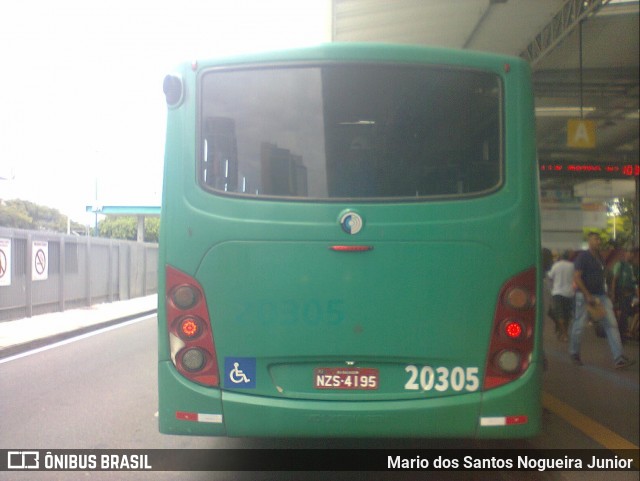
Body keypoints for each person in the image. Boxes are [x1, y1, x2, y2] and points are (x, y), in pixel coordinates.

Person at [569, 232, 634, 369]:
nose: (598, 241)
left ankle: (619, 358)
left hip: (601, 296)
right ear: (589, 241)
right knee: (579, 325)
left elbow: (603, 276)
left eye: (599, 239)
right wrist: (587, 295)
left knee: (612, 325)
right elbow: (577, 277)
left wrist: (609, 291)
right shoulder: (583, 257)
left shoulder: (599, 258)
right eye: (595, 239)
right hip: (585, 296)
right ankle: (574, 353)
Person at [611, 248, 638, 340]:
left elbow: (635, 283)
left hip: (631, 294)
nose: (631, 255)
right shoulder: (621, 265)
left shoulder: (634, 267)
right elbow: (615, 279)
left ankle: (627, 332)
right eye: (629, 252)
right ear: (625, 253)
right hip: (622, 293)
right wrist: (613, 294)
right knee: (623, 314)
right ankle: (620, 335)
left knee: (630, 313)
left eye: (632, 253)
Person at [547, 251, 575, 341]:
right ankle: (564, 332)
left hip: (557, 293)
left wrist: (550, 288)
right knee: (567, 315)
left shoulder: (556, 265)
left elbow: (550, 277)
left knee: (557, 313)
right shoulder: (572, 266)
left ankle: (564, 333)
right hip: (569, 293)